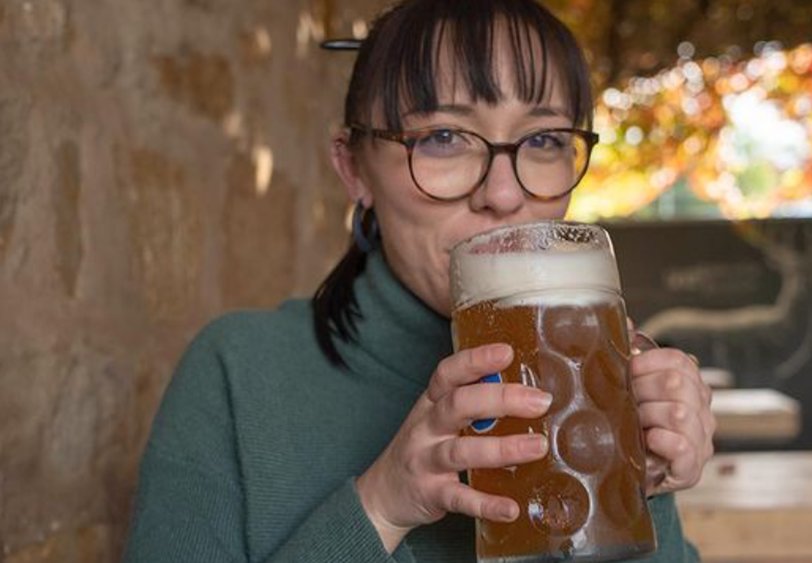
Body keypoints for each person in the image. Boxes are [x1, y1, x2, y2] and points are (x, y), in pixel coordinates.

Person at [122, 0, 715, 561]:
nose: (504, 195)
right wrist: (381, 506)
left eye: (543, 140)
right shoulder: (238, 374)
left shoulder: (597, 377)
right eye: (443, 137)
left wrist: (639, 483)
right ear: (354, 169)